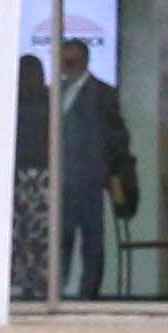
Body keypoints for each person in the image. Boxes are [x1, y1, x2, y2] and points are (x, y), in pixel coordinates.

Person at [45, 36, 131, 300]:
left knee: (92, 240)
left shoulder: (103, 93)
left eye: (69, 62)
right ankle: (56, 290)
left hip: (90, 179)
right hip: (62, 177)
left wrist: (105, 170)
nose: (65, 68)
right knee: (62, 238)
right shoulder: (54, 92)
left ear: (82, 62)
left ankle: (88, 294)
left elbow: (116, 136)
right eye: (62, 62)